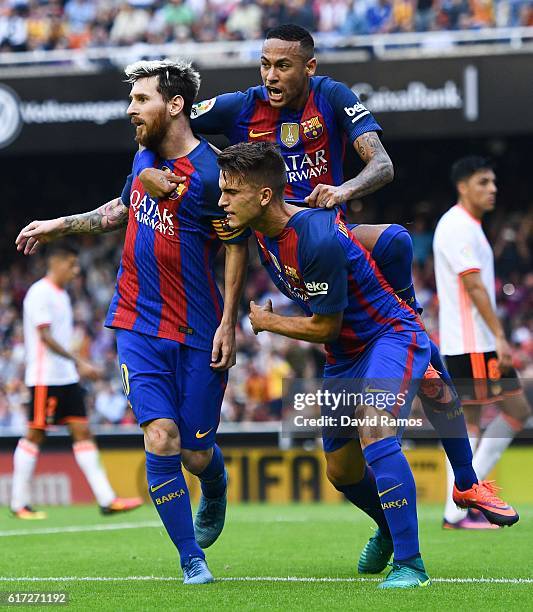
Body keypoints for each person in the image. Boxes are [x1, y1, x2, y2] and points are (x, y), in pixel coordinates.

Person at [216, 141, 519, 588]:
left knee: (375, 428)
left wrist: (268, 321)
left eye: (229, 192)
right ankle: (393, 524)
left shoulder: (313, 236)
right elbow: (392, 239)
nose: (221, 200)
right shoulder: (261, 224)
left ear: (263, 196)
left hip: (385, 335)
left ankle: (411, 564)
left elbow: (326, 328)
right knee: (341, 471)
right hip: (346, 356)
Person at [15, 60, 249, 585]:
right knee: (161, 438)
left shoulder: (215, 173)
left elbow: (236, 247)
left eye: (141, 99)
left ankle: (214, 481)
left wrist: (230, 322)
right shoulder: (143, 158)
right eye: (131, 99)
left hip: (198, 327)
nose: (130, 109)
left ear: (175, 105)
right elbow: (121, 209)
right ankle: (192, 560)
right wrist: (57, 225)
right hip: (138, 326)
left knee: (194, 451)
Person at [138, 23, 393, 208]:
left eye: (282, 66)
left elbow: (382, 164)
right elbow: (155, 123)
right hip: (276, 236)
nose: (270, 76)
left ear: (309, 67)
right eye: (265, 64)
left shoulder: (332, 95)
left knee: (394, 241)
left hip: (330, 226)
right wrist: (145, 170)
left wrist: (343, 190)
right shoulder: (241, 106)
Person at [433, 156, 531, 529]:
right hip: (471, 342)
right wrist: (501, 336)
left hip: (474, 341)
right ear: (463, 186)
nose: (492, 189)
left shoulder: (468, 226)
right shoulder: (458, 225)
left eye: (493, 182)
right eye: (483, 182)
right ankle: (459, 505)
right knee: (474, 421)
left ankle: (463, 500)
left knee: (510, 412)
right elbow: (472, 285)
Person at [11, 244, 143, 519]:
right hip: (45, 377)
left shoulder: (61, 295)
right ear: (56, 264)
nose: (75, 271)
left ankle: (107, 499)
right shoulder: (40, 293)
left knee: (82, 433)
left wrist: (74, 366)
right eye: (71, 265)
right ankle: (19, 503)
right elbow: (45, 337)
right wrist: (80, 362)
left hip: (66, 378)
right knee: (35, 434)